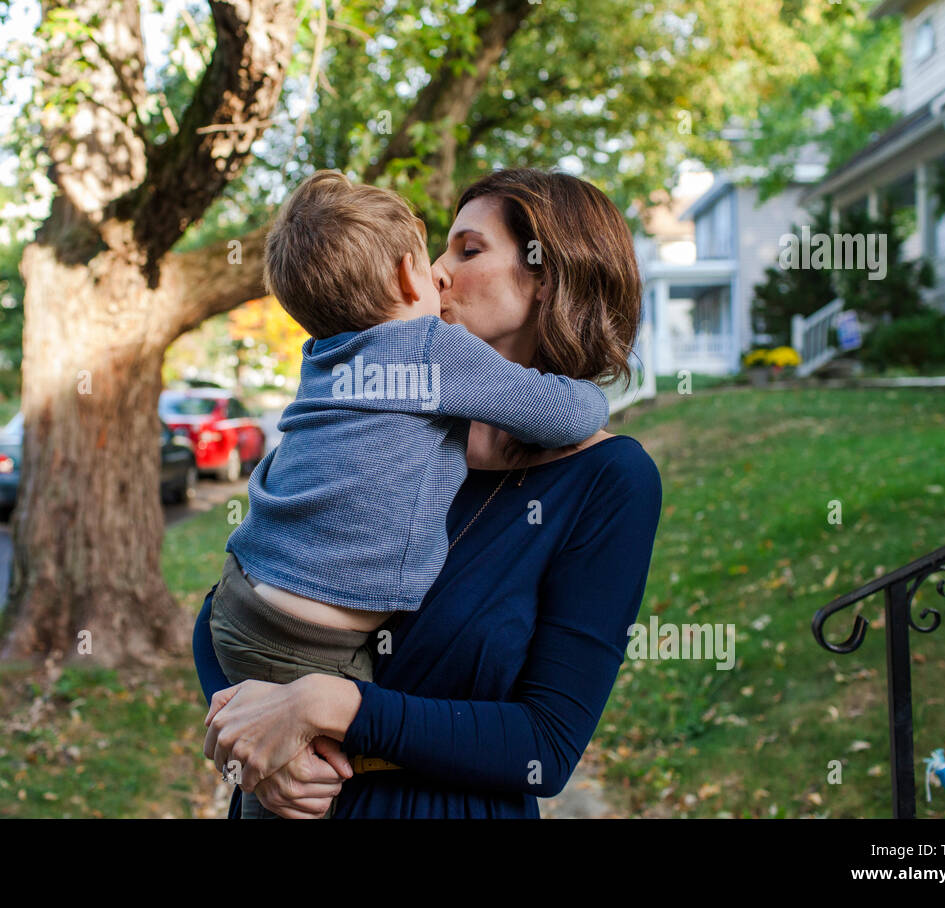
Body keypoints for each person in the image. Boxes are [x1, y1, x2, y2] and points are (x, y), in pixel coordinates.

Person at [196, 168, 662, 818]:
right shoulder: (377, 422)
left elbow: (546, 745)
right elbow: (234, 597)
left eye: (467, 250)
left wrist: (327, 708)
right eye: (437, 251)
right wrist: (249, 742)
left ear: (549, 276)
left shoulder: (610, 481)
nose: (439, 272)